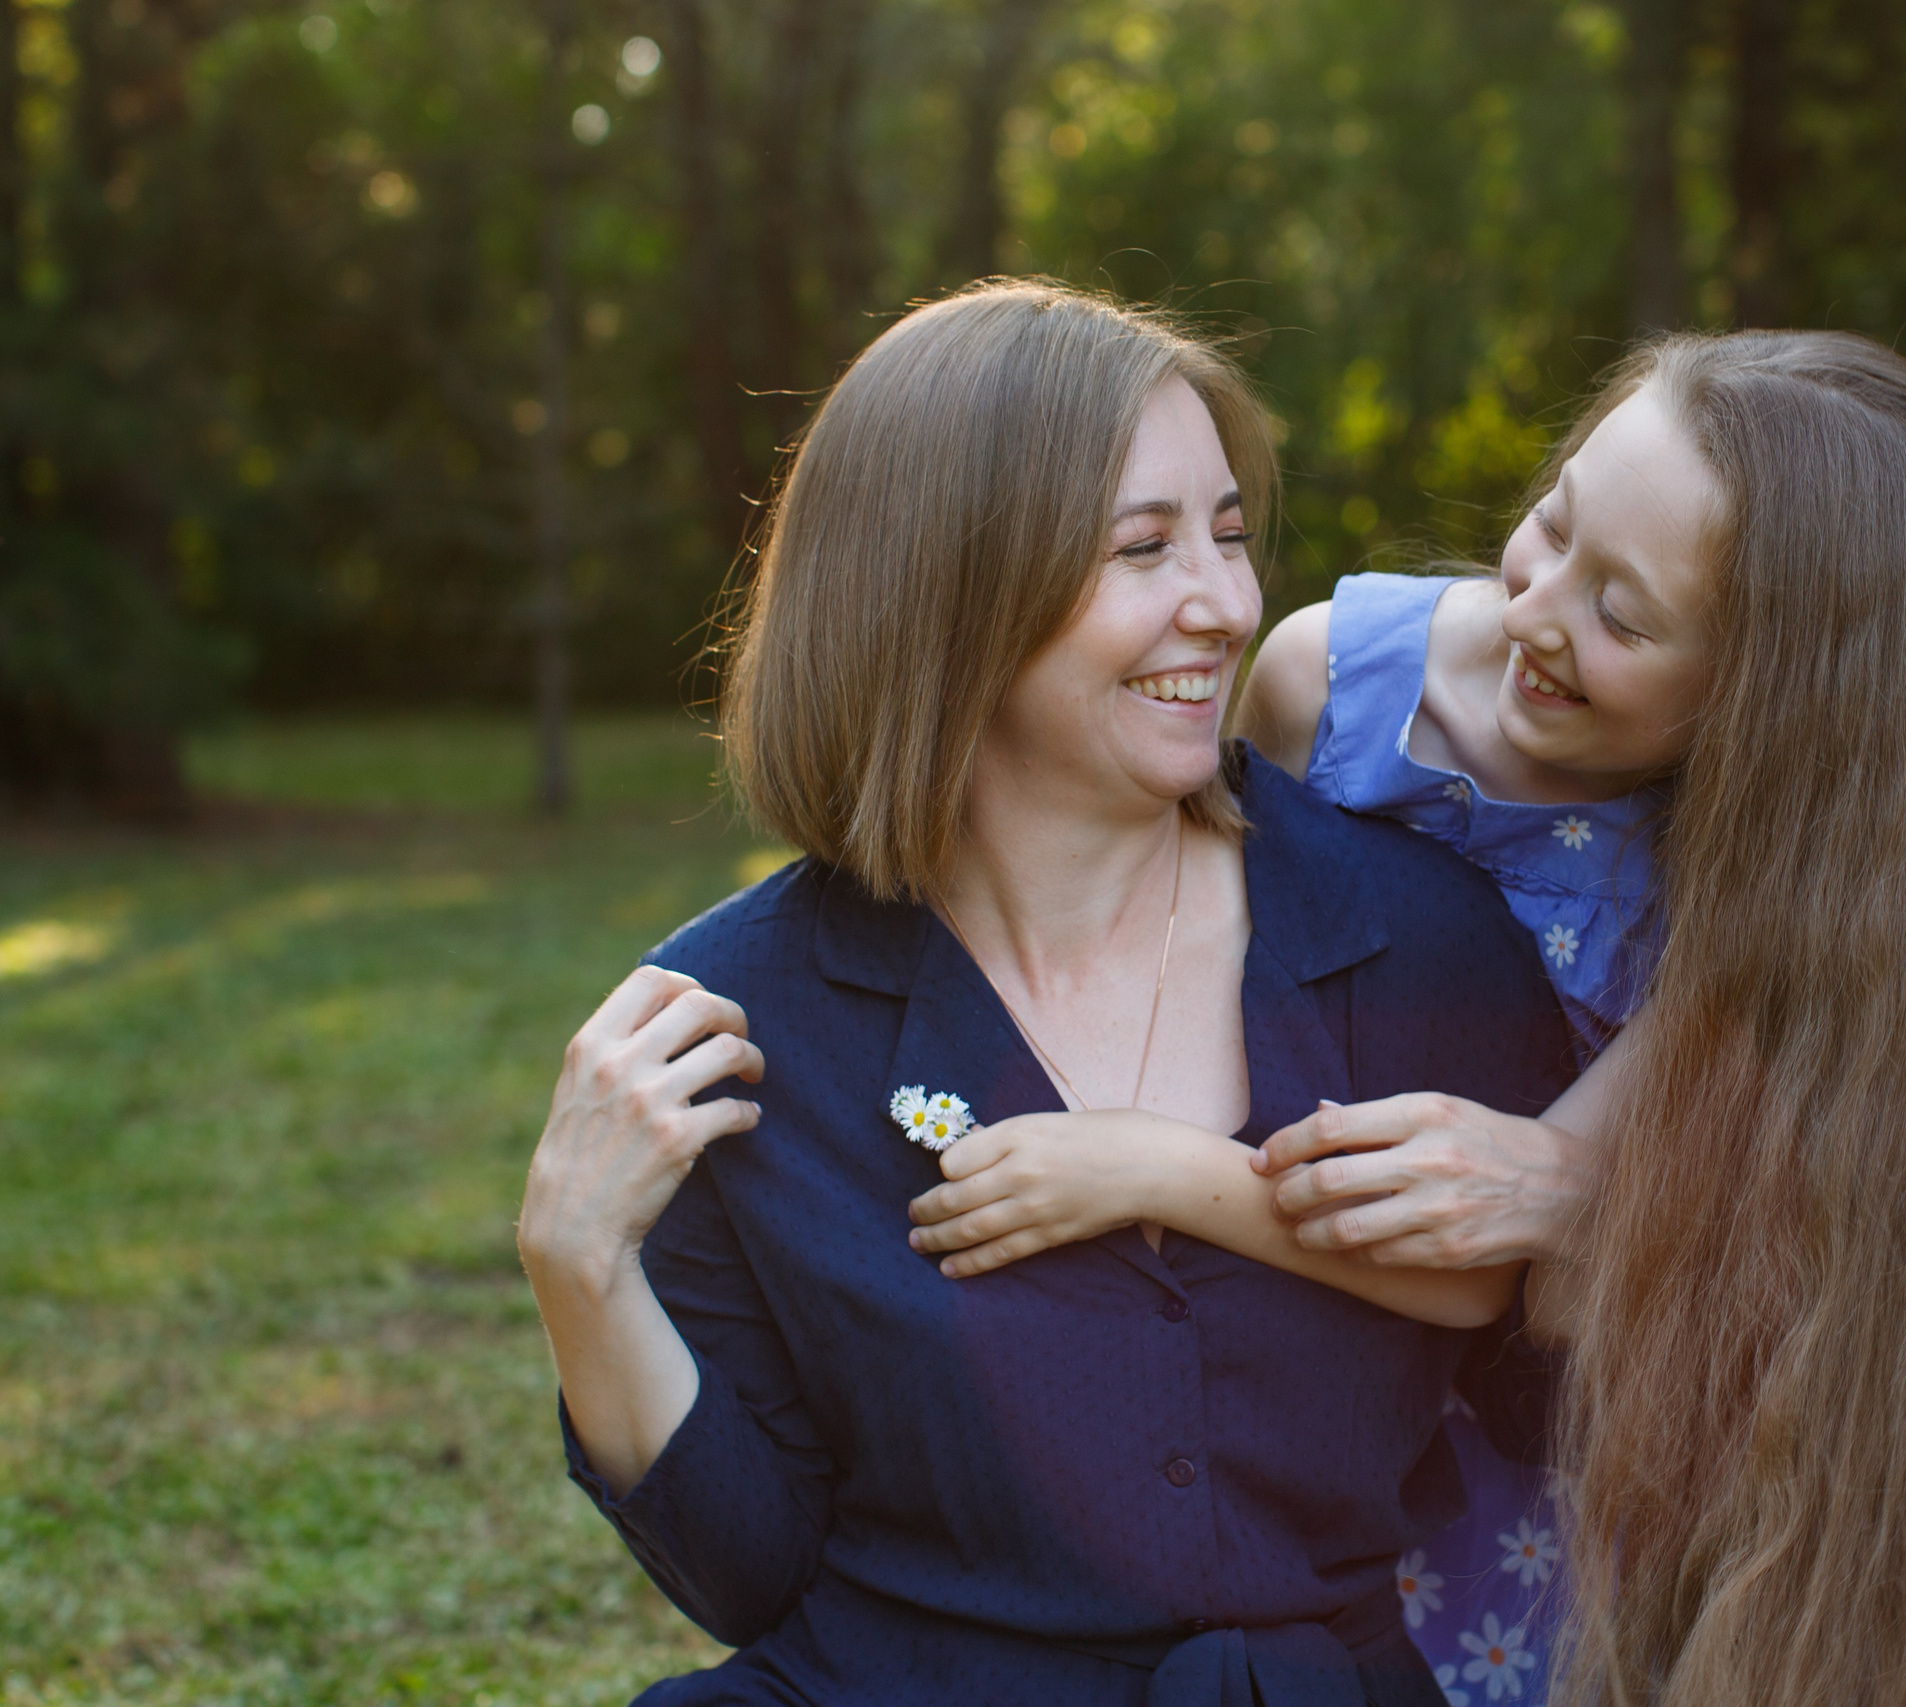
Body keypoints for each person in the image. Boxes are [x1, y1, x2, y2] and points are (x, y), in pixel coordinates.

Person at [913, 331, 1906, 1707]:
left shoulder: (1780, 897)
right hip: (1304, 1296)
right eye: (1553, 525)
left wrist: (1573, 1191)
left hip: (1585, 1387)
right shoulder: (1330, 682)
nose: (1535, 614)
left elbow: (1550, 1255)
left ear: (1775, 711)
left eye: (1623, 621)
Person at [514, 280, 1578, 1707]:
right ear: (946, 592)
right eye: (1143, 549)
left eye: (1230, 534)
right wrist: (579, 1274)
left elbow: (1559, 1379)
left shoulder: (1418, 936)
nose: (1223, 604)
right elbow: (750, 1575)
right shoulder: (734, 1026)